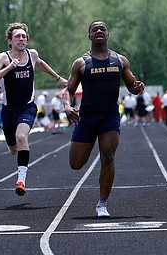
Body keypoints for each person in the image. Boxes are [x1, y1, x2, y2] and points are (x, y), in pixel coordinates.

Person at [63, 20, 145, 217]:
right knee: (75, 164)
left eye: (102, 29)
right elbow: (69, 90)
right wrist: (67, 106)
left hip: (109, 116)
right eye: (94, 29)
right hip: (87, 118)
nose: (99, 31)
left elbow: (132, 85)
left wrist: (137, 88)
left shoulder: (120, 60)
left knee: (108, 155)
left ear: (108, 34)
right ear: (89, 36)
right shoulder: (81, 63)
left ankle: (102, 204)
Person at [0, 22, 67, 196]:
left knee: (22, 137)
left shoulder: (32, 55)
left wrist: (58, 78)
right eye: (17, 36)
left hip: (28, 108)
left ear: (27, 40)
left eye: (24, 36)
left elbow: (40, 63)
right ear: (10, 41)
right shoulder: (3, 58)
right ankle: (13, 143)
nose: (21, 39)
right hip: (8, 110)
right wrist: (9, 68)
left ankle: (21, 180)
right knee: (13, 150)